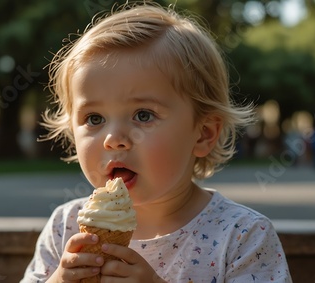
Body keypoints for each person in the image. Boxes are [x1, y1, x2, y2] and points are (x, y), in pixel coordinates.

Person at [21, 2, 292, 282]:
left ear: (203, 134)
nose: (114, 139)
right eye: (94, 118)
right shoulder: (65, 227)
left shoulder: (241, 236)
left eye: (143, 115)